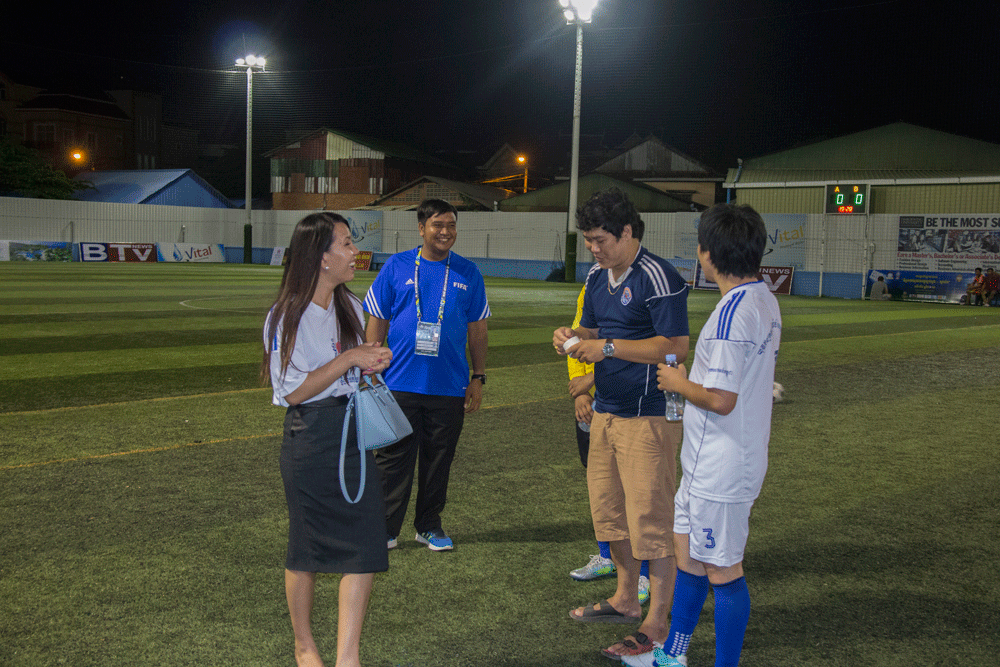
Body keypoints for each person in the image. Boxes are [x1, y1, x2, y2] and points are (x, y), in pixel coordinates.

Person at [638, 203, 781, 667]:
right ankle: (673, 654)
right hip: (719, 460)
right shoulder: (762, 297)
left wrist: (678, 384)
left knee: (723, 569)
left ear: (706, 253)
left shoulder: (729, 316)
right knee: (691, 559)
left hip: (721, 465)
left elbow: (721, 398)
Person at [553, 188, 690, 660]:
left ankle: (657, 620)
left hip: (649, 414)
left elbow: (675, 347)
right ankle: (626, 598)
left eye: (599, 239)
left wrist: (607, 348)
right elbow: (592, 330)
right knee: (611, 514)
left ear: (627, 232)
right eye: (588, 240)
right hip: (607, 412)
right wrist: (573, 336)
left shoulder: (658, 276)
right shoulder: (596, 276)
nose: (593, 248)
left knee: (651, 519)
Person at [263, 212, 394, 667]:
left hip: (353, 432)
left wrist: (371, 360)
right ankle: (304, 648)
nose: (353, 250)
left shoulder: (351, 307)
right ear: (321, 258)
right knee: (307, 547)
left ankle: (348, 658)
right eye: (344, 243)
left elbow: (354, 368)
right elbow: (293, 389)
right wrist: (352, 358)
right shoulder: (286, 316)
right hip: (311, 439)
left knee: (363, 545)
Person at [364, 199, 490, 552]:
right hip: (399, 381)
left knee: (439, 459)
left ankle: (429, 527)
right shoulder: (396, 265)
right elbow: (377, 317)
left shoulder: (468, 272)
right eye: (437, 225)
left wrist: (478, 377)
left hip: (449, 385)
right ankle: (385, 530)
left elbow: (478, 329)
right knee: (392, 460)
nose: (445, 231)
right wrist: (370, 366)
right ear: (421, 228)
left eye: (450, 225)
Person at [567, 283, 651, 617]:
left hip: (637, 406)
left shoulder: (647, 283)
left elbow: (658, 347)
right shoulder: (593, 285)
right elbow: (581, 338)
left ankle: (644, 575)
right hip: (597, 402)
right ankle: (608, 557)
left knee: (636, 492)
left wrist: (593, 380)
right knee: (601, 486)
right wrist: (581, 392)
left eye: (601, 239)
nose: (595, 248)